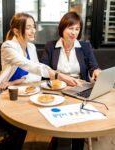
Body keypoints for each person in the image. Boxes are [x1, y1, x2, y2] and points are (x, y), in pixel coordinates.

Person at [0, 12, 82, 150]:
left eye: (34, 26)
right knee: (19, 129)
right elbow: (30, 66)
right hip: (4, 97)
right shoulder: (8, 47)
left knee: (48, 116)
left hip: (24, 95)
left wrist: (13, 82)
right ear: (16, 30)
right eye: (28, 27)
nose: (33, 30)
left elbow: (36, 75)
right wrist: (59, 75)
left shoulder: (31, 47)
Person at [40, 11, 101, 150]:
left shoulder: (84, 46)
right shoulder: (51, 46)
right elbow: (43, 68)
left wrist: (97, 71)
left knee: (78, 122)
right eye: (70, 28)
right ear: (62, 28)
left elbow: (93, 66)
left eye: (77, 29)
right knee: (63, 121)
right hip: (57, 90)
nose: (74, 32)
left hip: (80, 89)